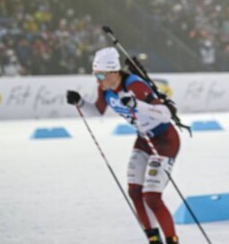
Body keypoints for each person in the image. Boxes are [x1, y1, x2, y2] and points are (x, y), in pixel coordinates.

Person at [66, 47, 180, 244]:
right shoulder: (105, 88)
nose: (97, 80)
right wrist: (80, 102)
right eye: (95, 74)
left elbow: (165, 114)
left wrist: (137, 104)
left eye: (100, 75)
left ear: (113, 71)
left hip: (164, 140)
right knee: (134, 192)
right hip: (144, 140)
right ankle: (154, 240)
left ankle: (172, 240)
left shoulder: (134, 85)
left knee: (152, 196)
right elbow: (97, 111)